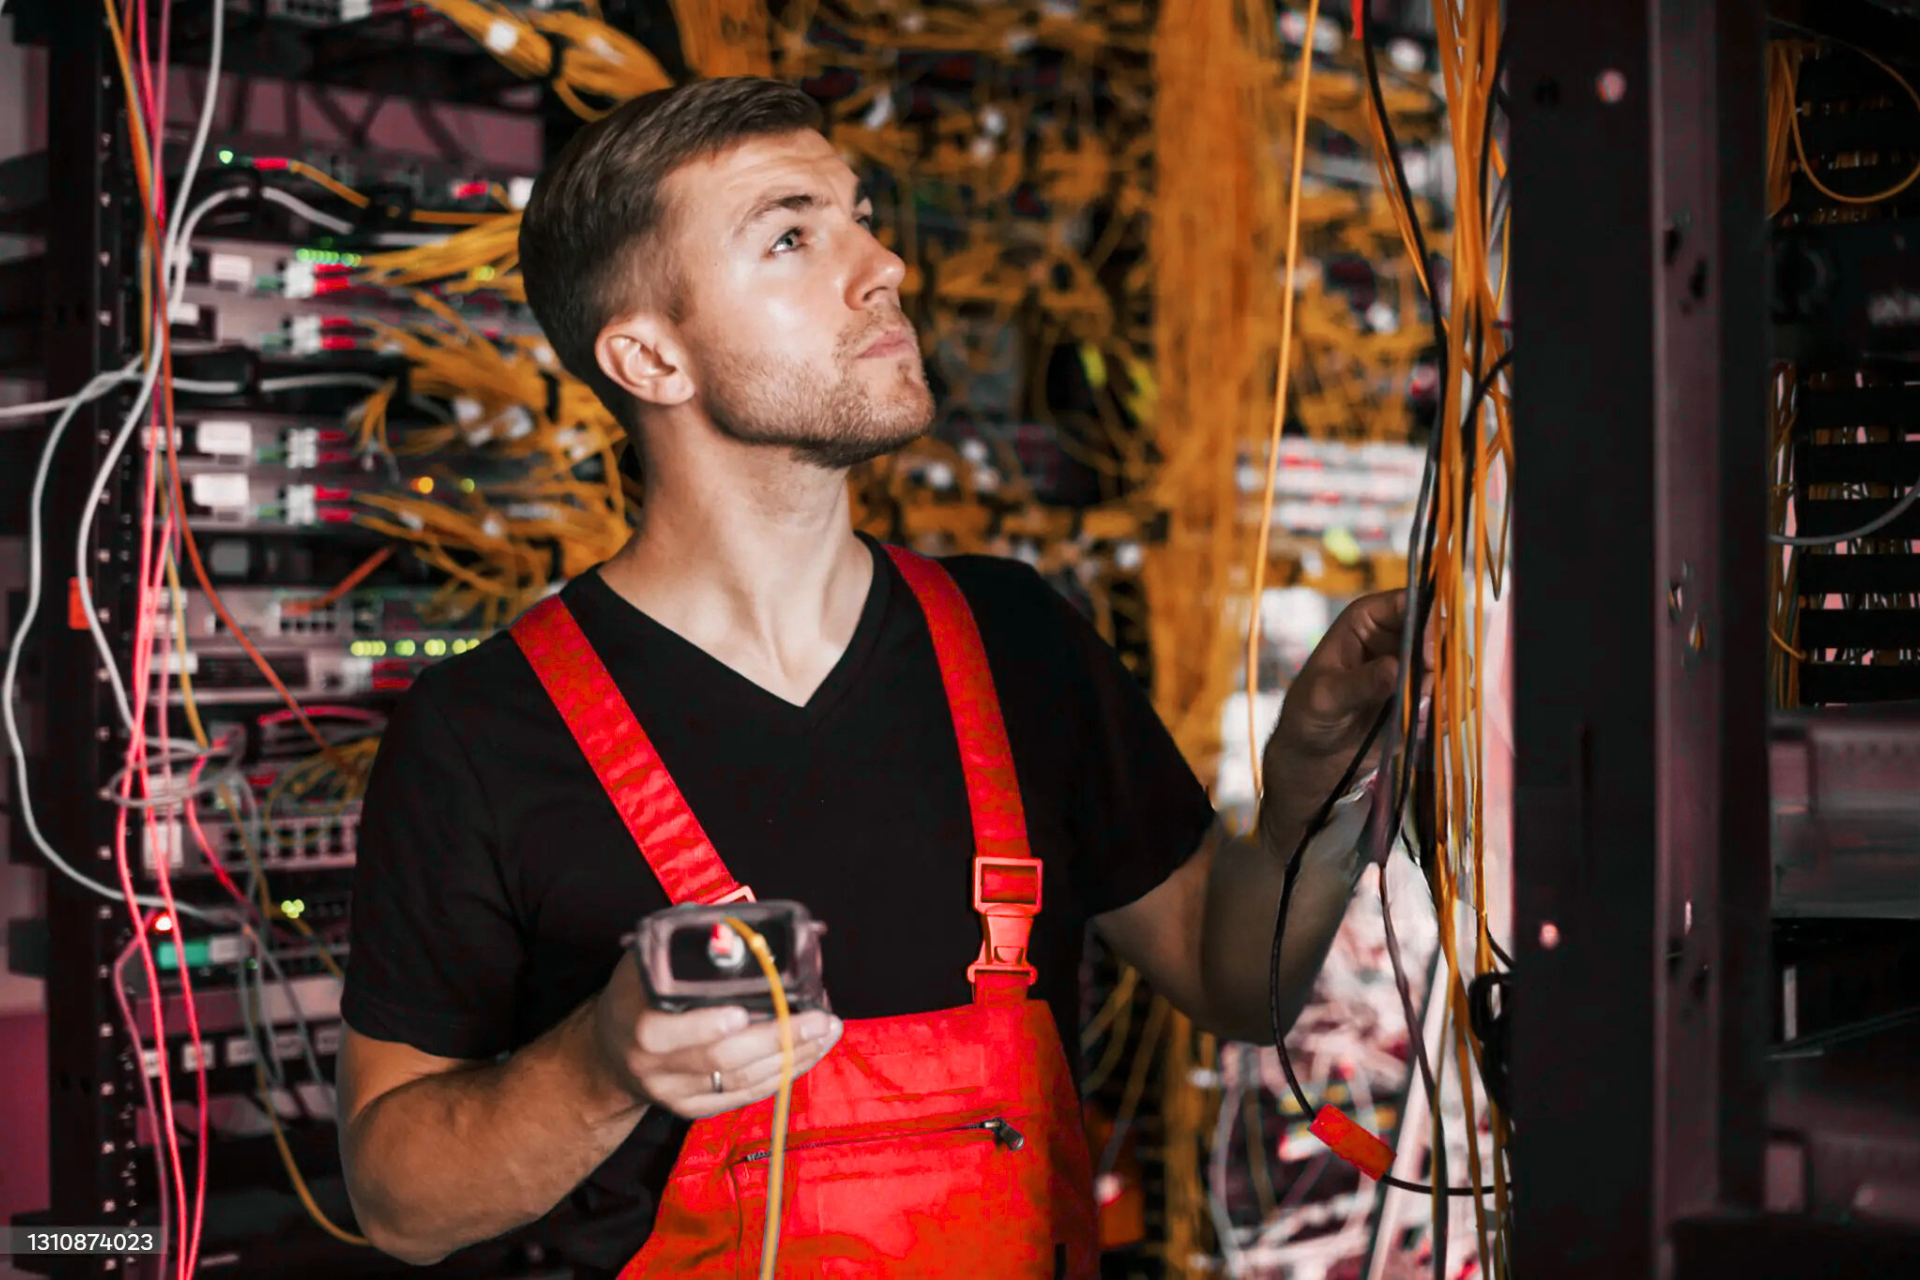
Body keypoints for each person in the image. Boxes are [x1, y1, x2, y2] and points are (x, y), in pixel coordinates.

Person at [335, 76, 1407, 1278]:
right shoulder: (485, 730)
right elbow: (397, 1198)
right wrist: (603, 1064)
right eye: (792, 236)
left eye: (859, 215)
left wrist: (1314, 784)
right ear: (649, 355)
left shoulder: (1015, 640)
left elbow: (1237, 976)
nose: (883, 263)